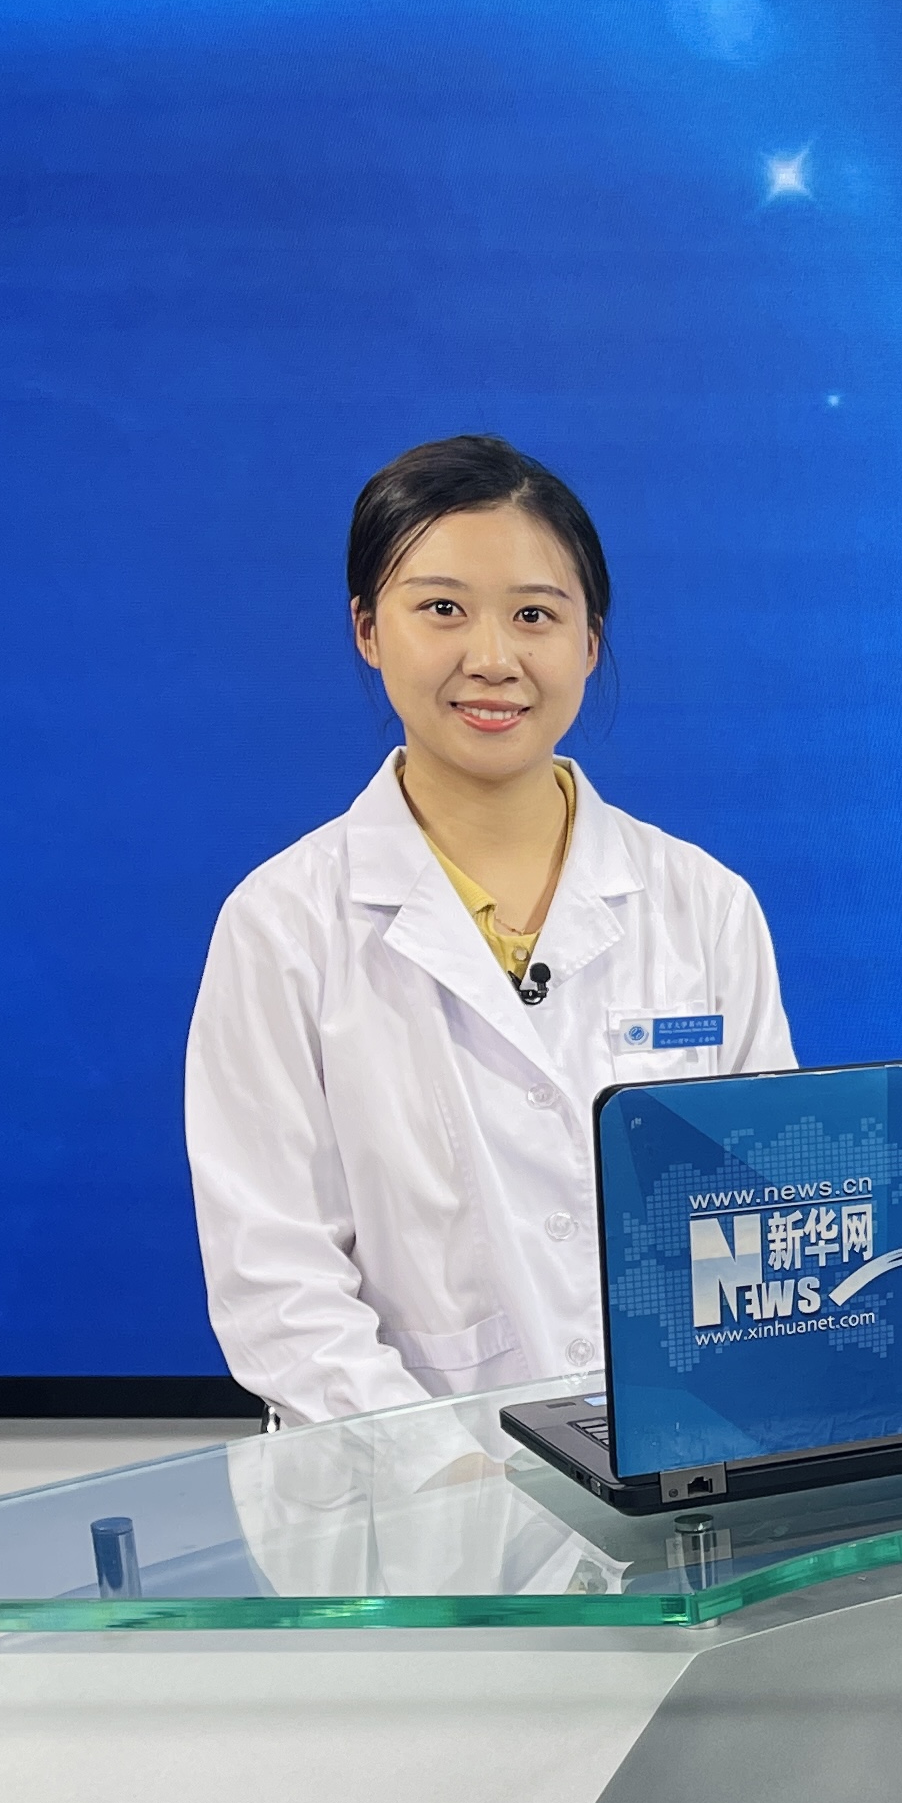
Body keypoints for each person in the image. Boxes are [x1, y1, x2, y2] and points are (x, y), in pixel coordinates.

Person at [187, 434, 794, 1424]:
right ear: (367, 629)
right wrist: (448, 1474)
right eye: (441, 610)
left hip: (677, 1463)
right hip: (393, 1491)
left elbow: (767, 1222)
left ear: (589, 642)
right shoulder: (283, 925)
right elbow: (277, 1286)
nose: (493, 659)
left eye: (534, 615)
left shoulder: (703, 904)